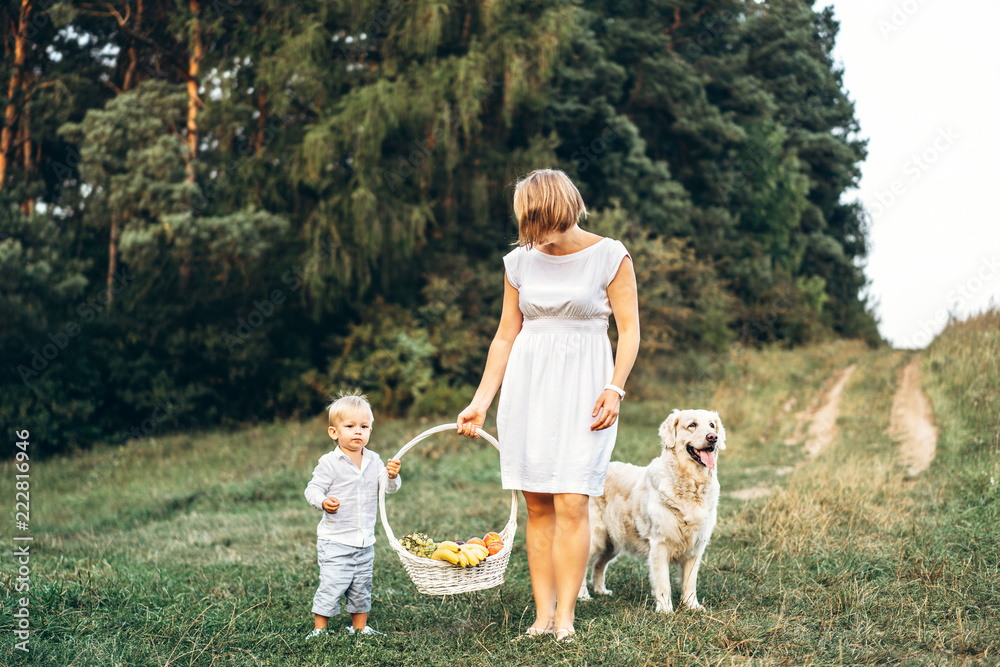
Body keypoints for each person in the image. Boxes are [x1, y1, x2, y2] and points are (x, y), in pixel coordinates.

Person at [456, 168, 640, 643]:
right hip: (529, 386)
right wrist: (480, 402)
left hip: (586, 388)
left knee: (573, 500)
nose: (533, 236)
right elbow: (504, 335)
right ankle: (542, 618)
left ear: (561, 211)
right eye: (527, 224)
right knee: (537, 503)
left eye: (538, 222)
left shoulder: (610, 255)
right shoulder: (519, 262)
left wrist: (615, 388)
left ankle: (566, 620)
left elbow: (630, 330)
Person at [303, 390, 402, 638]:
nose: (358, 431)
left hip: (364, 540)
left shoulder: (374, 460)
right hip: (335, 539)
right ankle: (319, 630)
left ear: (370, 431)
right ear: (334, 433)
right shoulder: (329, 462)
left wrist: (392, 475)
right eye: (350, 426)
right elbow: (312, 489)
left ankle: (359, 627)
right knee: (332, 584)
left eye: (364, 426)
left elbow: (388, 489)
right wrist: (323, 501)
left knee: (361, 586)